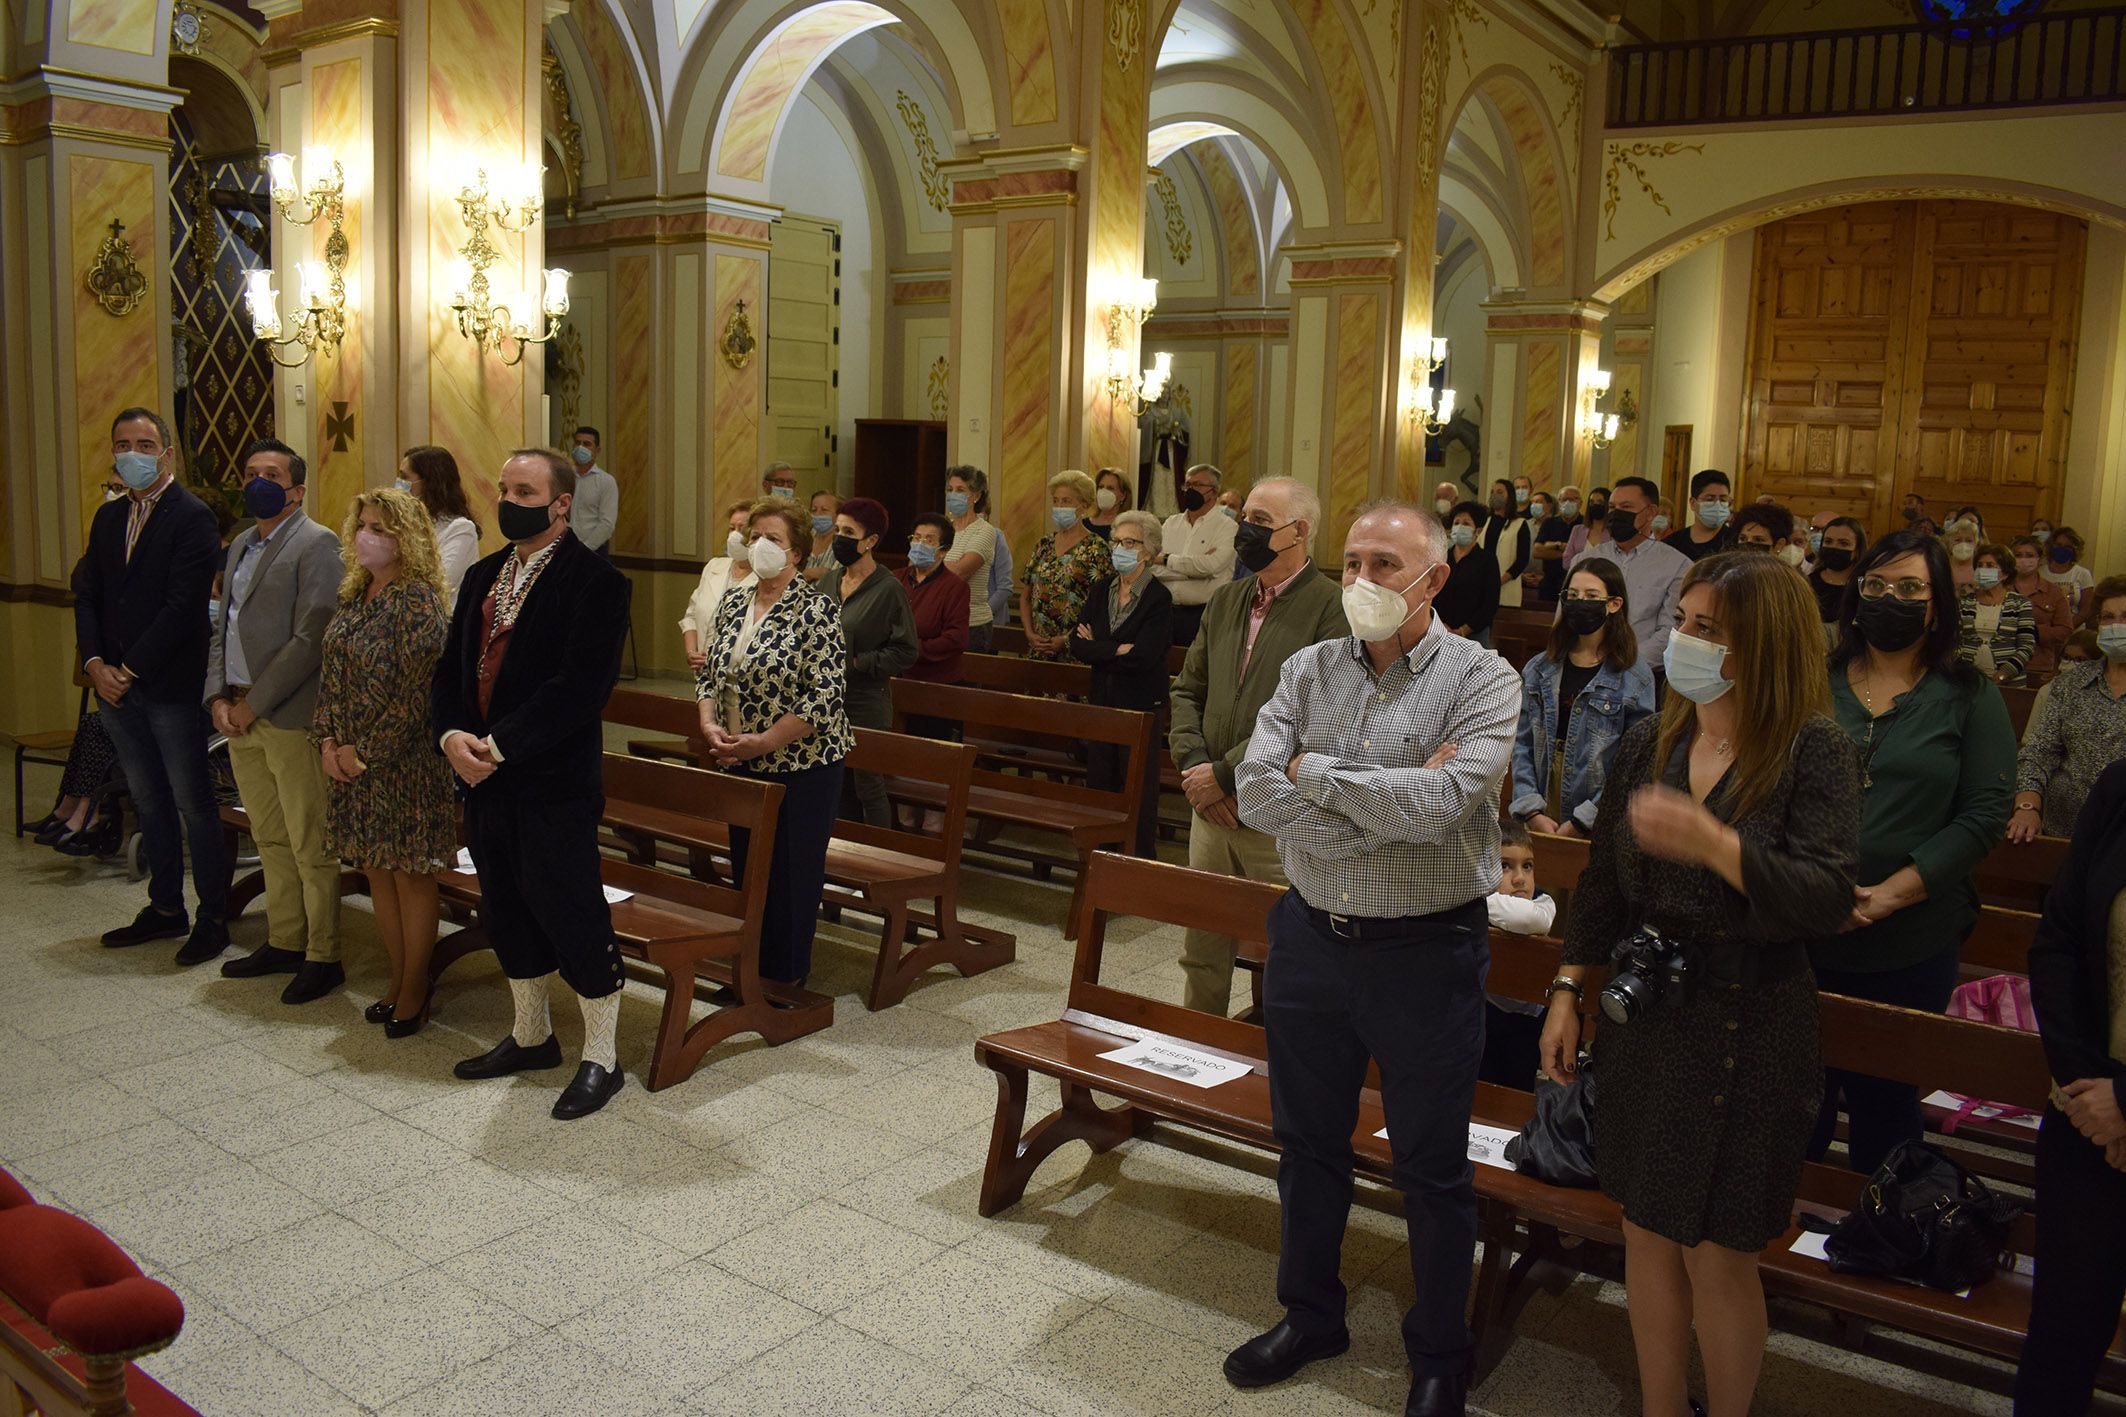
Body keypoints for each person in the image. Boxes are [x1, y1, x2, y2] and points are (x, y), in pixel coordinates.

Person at [1540, 551, 1862, 1417]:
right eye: (1682, 620)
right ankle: (1659, 1405)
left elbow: (1828, 897)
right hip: (1652, 1011)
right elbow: (1603, 883)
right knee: (1644, 1228)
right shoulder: (1654, 739)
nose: (1681, 639)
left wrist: (1717, 845)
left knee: (1719, 1250)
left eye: (1707, 629)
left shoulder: (1811, 748)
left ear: (1764, 645)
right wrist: (1569, 987)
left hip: (1749, 1024)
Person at [1228, 501, 1521, 1417]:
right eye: (1352, 560)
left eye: (1385, 564)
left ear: (1433, 579)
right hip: (1312, 938)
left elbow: (1443, 803)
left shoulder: (1484, 678)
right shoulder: (1310, 665)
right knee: (1307, 1144)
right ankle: (1311, 1312)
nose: (1362, 580)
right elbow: (1251, 788)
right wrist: (1373, 806)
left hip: (1425, 952)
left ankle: (1440, 1352)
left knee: (1431, 1165)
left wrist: (1313, 773)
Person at [432, 448, 633, 1121]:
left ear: (560, 504)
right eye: (504, 485)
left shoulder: (596, 581)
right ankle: (530, 1035)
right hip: (483, 777)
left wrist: (501, 743)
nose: (509, 497)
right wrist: (452, 735)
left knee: (570, 907)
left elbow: (580, 687)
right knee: (507, 903)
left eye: (525, 488)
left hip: (551, 778)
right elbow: (453, 670)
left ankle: (603, 1056)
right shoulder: (486, 573)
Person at [1811, 531, 2015, 1174]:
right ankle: (1771, 1250)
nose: (1889, 599)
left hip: (1911, 935)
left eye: (1909, 589)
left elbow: (1984, 812)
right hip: (1803, 925)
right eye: (1875, 586)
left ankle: (1883, 1241)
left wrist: (1889, 893)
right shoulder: (1815, 682)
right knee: (1793, 1098)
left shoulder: (1968, 694)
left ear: (1937, 606)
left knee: (1885, 1102)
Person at [1168, 477, 1344, 1015]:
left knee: (1287, 952)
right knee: (1203, 945)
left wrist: (1224, 775)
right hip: (1209, 809)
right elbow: (1186, 688)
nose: (1247, 530)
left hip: (1276, 814)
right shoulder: (1227, 599)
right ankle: (1200, 1049)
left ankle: (1273, 1063)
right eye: (1246, 516)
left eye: (1261, 522)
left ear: (1300, 532)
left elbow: (1312, 716)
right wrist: (1196, 768)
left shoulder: (1330, 608)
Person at [75, 408, 230, 962]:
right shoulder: (108, 517)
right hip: (113, 685)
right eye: (123, 443)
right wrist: (95, 662)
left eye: (145, 443)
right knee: (148, 799)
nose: (132, 453)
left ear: (166, 453)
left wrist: (129, 669)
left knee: (193, 802)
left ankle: (213, 917)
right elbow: (88, 593)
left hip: (167, 682)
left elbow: (182, 605)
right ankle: (165, 907)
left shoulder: (192, 517)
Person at [207, 437, 346, 999]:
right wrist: (217, 695)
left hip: (286, 713)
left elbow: (310, 636)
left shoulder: (319, 544)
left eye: (271, 474)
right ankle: (285, 938)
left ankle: (323, 953)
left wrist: (251, 704)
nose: (257, 482)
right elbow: (223, 627)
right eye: (250, 472)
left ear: (297, 489)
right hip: (236, 708)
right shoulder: (242, 541)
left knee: (308, 838)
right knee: (269, 836)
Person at [314, 488, 456, 1036]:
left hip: (404, 766)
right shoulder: (356, 593)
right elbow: (331, 670)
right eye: (363, 526)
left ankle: (416, 986)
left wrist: (364, 753)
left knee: (410, 875)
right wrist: (327, 741)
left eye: (382, 528)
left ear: (408, 538)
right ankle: (397, 978)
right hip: (349, 760)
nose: (368, 536)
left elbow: (415, 696)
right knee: (376, 869)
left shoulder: (416, 600)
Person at [696, 498, 853, 984]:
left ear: (797, 554)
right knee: (749, 869)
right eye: (756, 536)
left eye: (774, 539)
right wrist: (708, 724)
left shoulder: (817, 609)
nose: (761, 545)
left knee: (791, 873)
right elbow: (709, 675)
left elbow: (823, 698)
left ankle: (784, 979)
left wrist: (764, 741)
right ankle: (749, 971)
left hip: (802, 765)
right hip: (739, 757)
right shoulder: (734, 601)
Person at [2015, 760, 2126, 1417]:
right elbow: (2056, 942)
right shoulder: (2119, 788)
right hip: (2086, 1115)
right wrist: (2089, 1092)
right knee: (2060, 1337)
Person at [1509, 560, 1656, 837]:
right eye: (1572, 596)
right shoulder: (1540, 668)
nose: (1579, 603)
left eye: (1590, 596)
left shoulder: (1634, 676)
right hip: (1541, 798)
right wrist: (1531, 808)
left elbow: (1633, 762)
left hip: (1599, 804)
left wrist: (1584, 819)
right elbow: (1522, 743)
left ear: (1613, 604)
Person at [1070, 511, 1173, 857]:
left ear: (1148, 551)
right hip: (1103, 700)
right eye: (1117, 541)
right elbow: (1077, 644)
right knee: (1100, 783)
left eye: (1130, 542)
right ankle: (1100, 859)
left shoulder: (1158, 597)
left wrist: (1101, 648)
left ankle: (1137, 862)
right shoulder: (1102, 589)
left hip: (1141, 704)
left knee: (1137, 789)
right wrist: (1115, 649)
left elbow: (1144, 656)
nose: (1121, 548)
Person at [2012, 576, 2126, 843]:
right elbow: (2039, 752)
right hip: (2063, 830)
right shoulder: (2070, 684)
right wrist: (2027, 806)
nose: (2117, 625)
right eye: (2108, 617)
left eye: (2125, 616)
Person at [826, 497, 916, 826]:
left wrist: (860, 663)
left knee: (868, 785)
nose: (839, 538)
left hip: (866, 701)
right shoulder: (828, 582)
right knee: (832, 783)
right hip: (826, 700)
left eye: (848, 531)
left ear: (871, 541)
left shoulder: (888, 588)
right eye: (837, 529)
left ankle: (880, 855)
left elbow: (905, 650)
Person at [1572, 476, 1689, 671]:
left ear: (1651, 512)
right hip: (1584, 666)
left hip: (1641, 671)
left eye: (1626, 507)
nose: (1616, 514)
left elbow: (1670, 630)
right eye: (1612, 507)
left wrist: (1621, 663)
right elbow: (1566, 619)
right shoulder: (1584, 561)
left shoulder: (1677, 565)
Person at [895, 512, 969, 742]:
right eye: (916, 538)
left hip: (934, 685)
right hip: (894, 679)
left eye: (928, 540)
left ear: (943, 550)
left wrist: (912, 649)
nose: (919, 544)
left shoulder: (954, 587)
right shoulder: (894, 579)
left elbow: (955, 639)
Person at [1021, 471, 1110, 661]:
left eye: (1067, 501)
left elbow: (1102, 606)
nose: (1059, 507)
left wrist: (1066, 639)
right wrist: (1030, 633)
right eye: (1056, 501)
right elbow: (1026, 597)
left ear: (1084, 505)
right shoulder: (1043, 545)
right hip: (1039, 648)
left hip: (1077, 648)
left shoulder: (1097, 548)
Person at [1153, 462, 1238, 645]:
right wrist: (1194, 571)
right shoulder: (1170, 523)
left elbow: (1211, 567)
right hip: (1164, 611)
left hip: (1204, 614)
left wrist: (1166, 559)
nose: (1190, 489)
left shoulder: (1227, 527)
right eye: (1188, 484)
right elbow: (1151, 566)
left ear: (1214, 492)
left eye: (1198, 485)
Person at [396, 445, 481, 608]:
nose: (399, 484)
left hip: (442, 620)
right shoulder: (407, 522)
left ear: (429, 482)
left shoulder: (460, 529)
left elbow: (441, 582)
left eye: (405, 478)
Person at [681, 500, 757, 673]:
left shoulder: (764, 579)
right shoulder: (714, 566)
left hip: (738, 675)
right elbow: (691, 616)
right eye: (732, 528)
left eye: (742, 528)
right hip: (702, 672)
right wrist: (691, 652)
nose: (735, 535)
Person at [1958, 543, 2037, 686]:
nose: (1983, 569)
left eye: (1990, 565)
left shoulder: (2020, 604)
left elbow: (2026, 646)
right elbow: (1954, 641)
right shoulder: (1964, 603)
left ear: (2005, 573)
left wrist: (2003, 674)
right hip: (1967, 682)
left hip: (2009, 683)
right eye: (1980, 565)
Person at [940, 465, 998, 652]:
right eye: (950, 490)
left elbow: (959, 573)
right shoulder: (941, 527)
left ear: (977, 496)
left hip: (971, 623)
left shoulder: (985, 531)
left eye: (960, 490)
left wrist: (931, 563)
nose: (953, 495)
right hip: (940, 620)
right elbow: (914, 568)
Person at [1435, 502, 1501, 645]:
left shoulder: (1487, 560)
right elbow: (1432, 592)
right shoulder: (1443, 557)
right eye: (1456, 523)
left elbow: (1490, 603)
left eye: (1466, 523)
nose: (1459, 527)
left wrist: (1463, 630)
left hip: (1474, 634)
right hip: (1440, 629)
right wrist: (1441, 625)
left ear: (1478, 530)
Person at [2010, 533, 2075, 676]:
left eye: (2029, 555)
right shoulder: (2002, 588)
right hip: (2003, 662)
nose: (2024, 559)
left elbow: (2065, 630)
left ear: (2039, 559)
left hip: (2039, 665)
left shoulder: (2054, 592)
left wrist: (2035, 631)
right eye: (2018, 555)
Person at [1488, 816, 1557, 936]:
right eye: (1504, 866)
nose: (1520, 878)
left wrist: (1479, 901)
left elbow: (1525, 918)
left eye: (1527, 866)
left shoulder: (1543, 902)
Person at [1479, 478, 1532, 613]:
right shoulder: (1485, 521)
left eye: (1500, 492)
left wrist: (1499, 581)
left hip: (1507, 589)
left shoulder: (1520, 524)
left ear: (1510, 496)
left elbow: (1522, 560)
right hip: (1481, 588)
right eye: (1492, 492)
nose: (1495, 495)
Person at [1807, 517, 1866, 632]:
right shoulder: (1807, 582)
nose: (1834, 547)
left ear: (1857, 551)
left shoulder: (1862, 587)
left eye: (1843, 543)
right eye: (1828, 541)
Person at [567, 426, 617, 557]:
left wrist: (584, 549)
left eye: (587, 444)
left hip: (593, 551)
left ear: (597, 450)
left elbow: (607, 524)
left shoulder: (606, 481)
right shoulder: (564, 477)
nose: (581, 448)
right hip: (564, 550)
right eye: (577, 443)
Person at [1666, 469, 1735, 564]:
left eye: (1723, 499)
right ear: (1693, 503)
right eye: (1710, 499)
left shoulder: (1736, 541)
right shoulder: (1672, 543)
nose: (1717, 505)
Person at [1531, 485, 1580, 602]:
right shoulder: (1549, 523)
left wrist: (1550, 546)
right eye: (1564, 499)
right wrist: (1561, 547)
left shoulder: (1583, 525)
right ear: (1559, 502)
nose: (1568, 503)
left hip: (1576, 583)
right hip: (1549, 583)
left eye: (1573, 500)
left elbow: (1584, 553)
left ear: (1581, 503)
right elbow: (1537, 551)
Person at [2045, 526, 2096, 616]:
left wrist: (2068, 627)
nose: (2062, 549)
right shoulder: (2039, 572)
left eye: (2067, 546)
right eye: (2059, 545)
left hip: (2074, 625)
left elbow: (2086, 609)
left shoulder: (2083, 573)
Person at [801, 490, 842, 584]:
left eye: (824, 510)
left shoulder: (842, 543)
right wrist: (807, 574)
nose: (818, 514)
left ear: (837, 515)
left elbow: (837, 580)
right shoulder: (804, 537)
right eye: (814, 510)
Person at [1087, 467, 1131, 540]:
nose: (1103, 492)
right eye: (1101, 487)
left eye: (1110, 488)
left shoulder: (1128, 528)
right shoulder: (1084, 525)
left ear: (1123, 495)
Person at [1942, 515, 1980, 594]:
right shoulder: (1941, 567)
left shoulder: (1982, 568)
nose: (1963, 544)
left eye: (1969, 540)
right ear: (1949, 542)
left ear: (1976, 544)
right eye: (1958, 540)